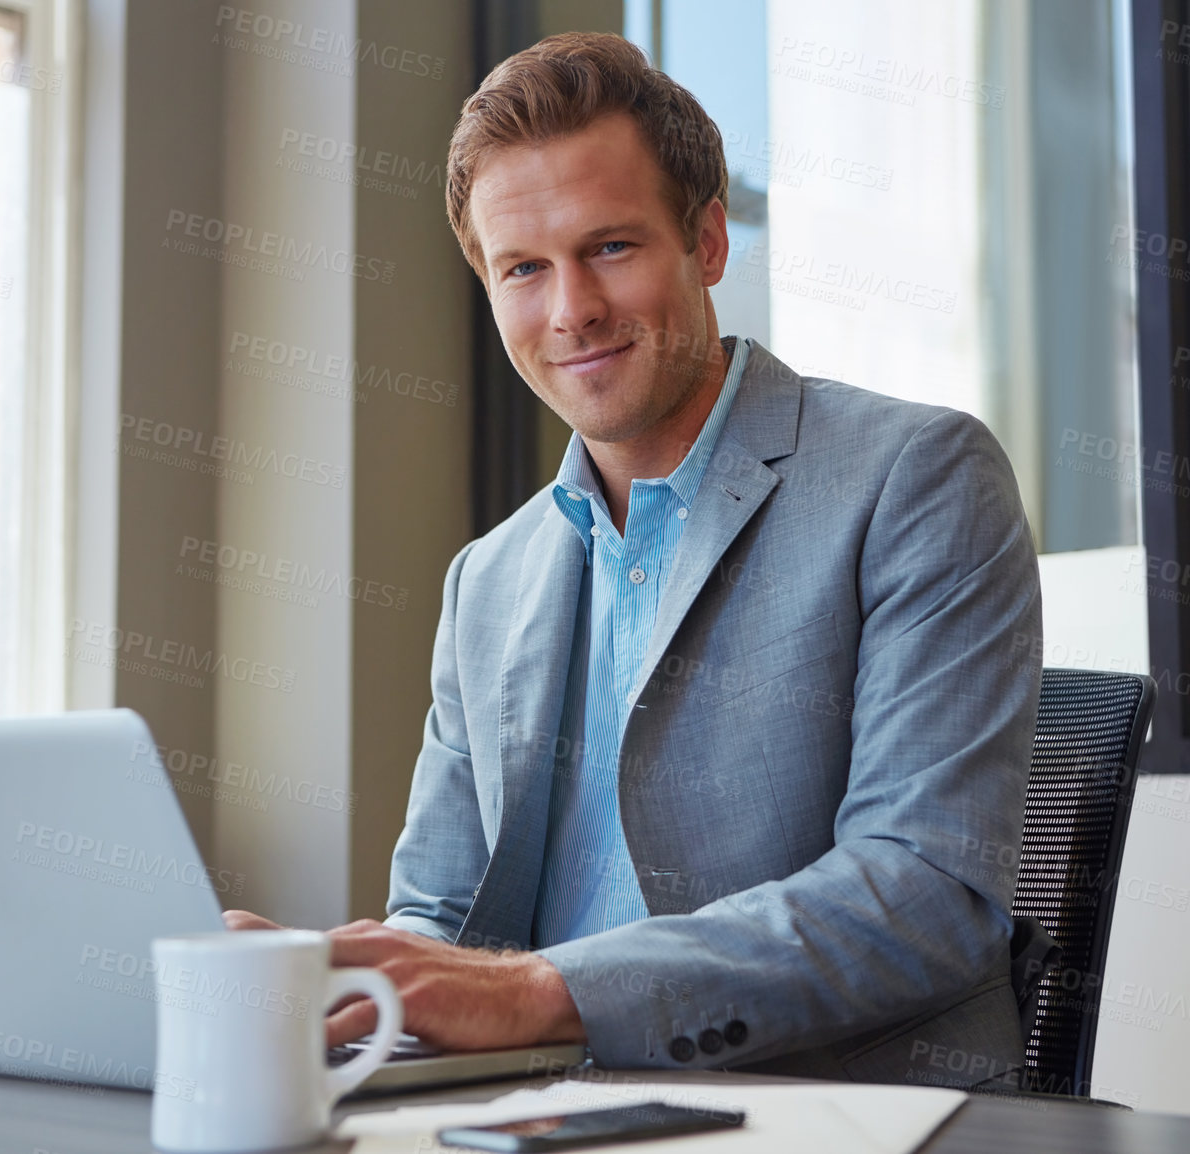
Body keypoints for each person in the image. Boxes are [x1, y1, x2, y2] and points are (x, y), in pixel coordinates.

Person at [226, 30, 1042, 1090]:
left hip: (831, 1111)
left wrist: (535, 993)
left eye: (610, 247)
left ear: (707, 241)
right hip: (536, 1111)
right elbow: (441, 913)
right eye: (524, 268)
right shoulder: (488, 578)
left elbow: (924, 894)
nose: (571, 311)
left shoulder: (916, 478)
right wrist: (335, 982)